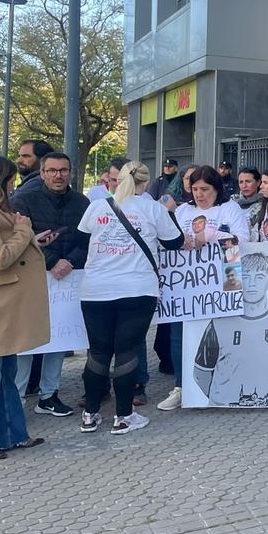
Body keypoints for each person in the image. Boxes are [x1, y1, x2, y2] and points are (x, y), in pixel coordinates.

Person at [76, 161, 183, 435]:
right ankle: (123, 416)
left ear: (117, 180)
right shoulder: (153, 209)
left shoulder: (98, 207)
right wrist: (169, 213)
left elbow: (81, 240)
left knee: (98, 351)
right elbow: (174, 242)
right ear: (145, 183)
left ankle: (90, 414)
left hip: (95, 290)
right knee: (127, 351)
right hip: (137, 290)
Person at [0, 155, 52, 462]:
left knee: (4, 376)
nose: (13, 185)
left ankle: (12, 436)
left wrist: (29, 237)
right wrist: (22, 231)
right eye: (9, 180)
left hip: (1, 309)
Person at [158, 165, 250, 412]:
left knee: (223, 330)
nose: (200, 194)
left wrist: (211, 235)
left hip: (225, 276)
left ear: (216, 189)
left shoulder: (229, 209)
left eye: (205, 189)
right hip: (187, 282)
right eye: (195, 189)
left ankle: (225, 384)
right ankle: (180, 386)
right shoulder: (183, 210)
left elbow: (243, 239)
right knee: (179, 332)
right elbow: (167, 240)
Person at [11, 152, 90, 418]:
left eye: (64, 170)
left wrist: (70, 261)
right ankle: (16, 398)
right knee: (26, 342)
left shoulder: (82, 202)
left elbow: (88, 239)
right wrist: (52, 262)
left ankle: (49, 395)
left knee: (60, 337)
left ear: (71, 173)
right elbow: (20, 239)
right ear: (42, 173)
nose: (59, 175)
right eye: (53, 170)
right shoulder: (23, 200)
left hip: (68, 280)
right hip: (34, 278)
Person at [194, 252, 268, 407]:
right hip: (222, 412)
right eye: (245, 277)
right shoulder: (218, 323)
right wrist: (220, 398)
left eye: (259, 277)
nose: (252, 283)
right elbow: (201, 373)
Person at [235, 166, 266, 234]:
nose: (244, 186)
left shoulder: (265, 204)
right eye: (241, 182)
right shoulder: (232, 201)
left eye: (248, 181)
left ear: (258, 182)